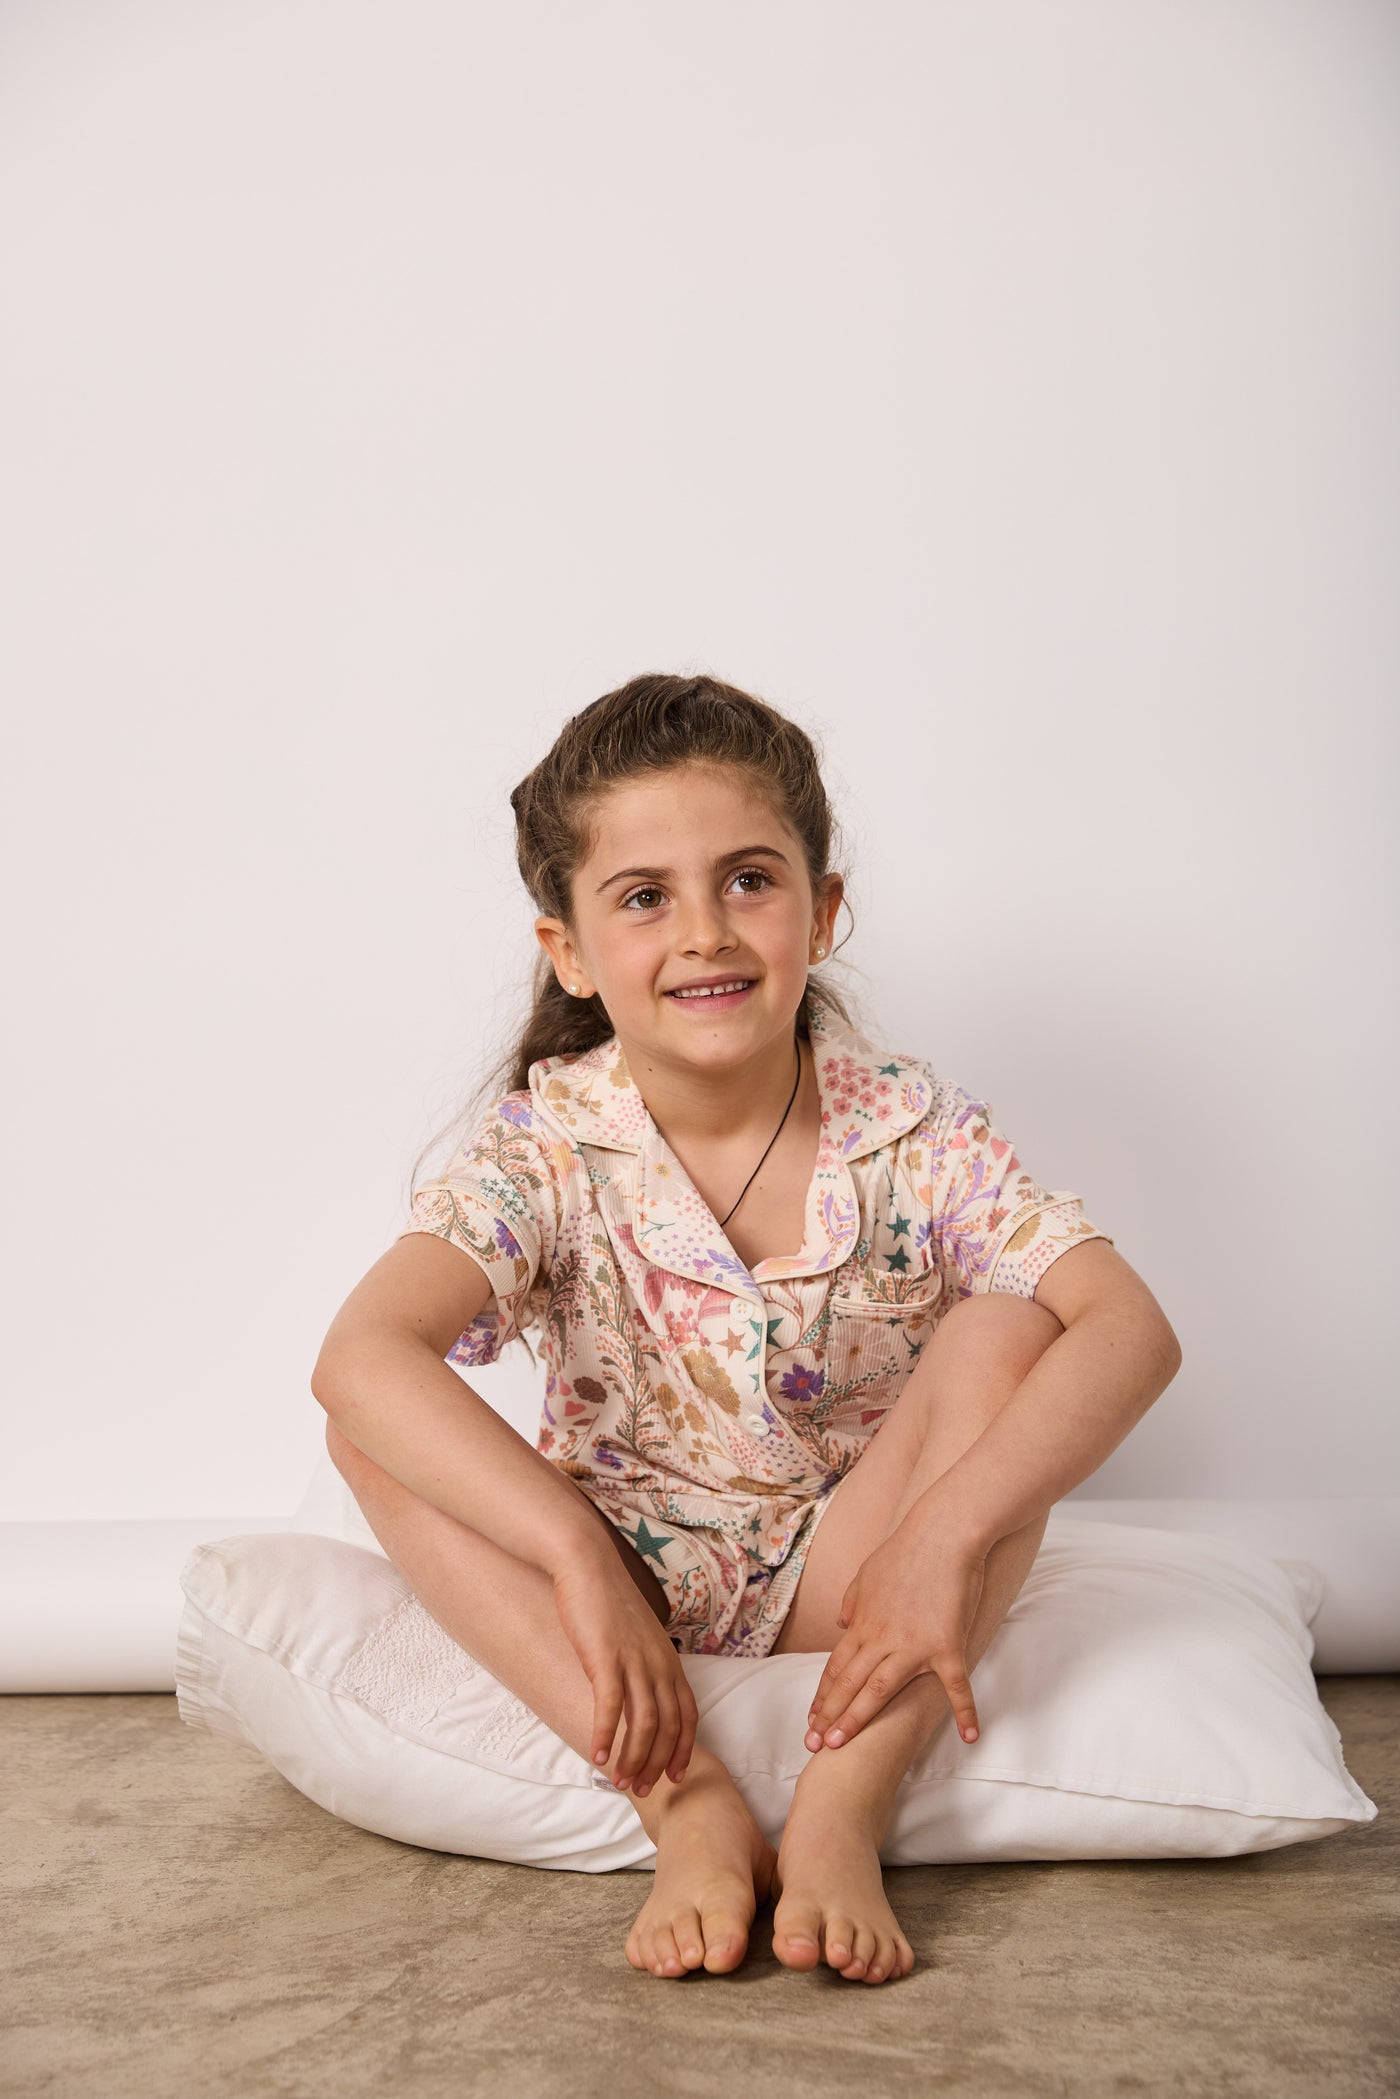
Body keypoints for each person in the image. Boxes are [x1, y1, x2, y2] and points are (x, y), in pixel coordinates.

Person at [311, 671, 1182, 1985]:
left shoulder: (914, 1128)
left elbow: (1131, 1329)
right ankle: (688, 1806)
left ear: (821, 913)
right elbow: (358, 1355)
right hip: (626, 1585)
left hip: (852, 1573)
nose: (706, 933)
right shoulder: (546, 1145)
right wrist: (575, 1558)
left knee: (1009, 1336)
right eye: (644, 897)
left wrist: (942, 1535)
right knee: (365, 1430)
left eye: (749, 881)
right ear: (569, 950)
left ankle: (845, 1805)